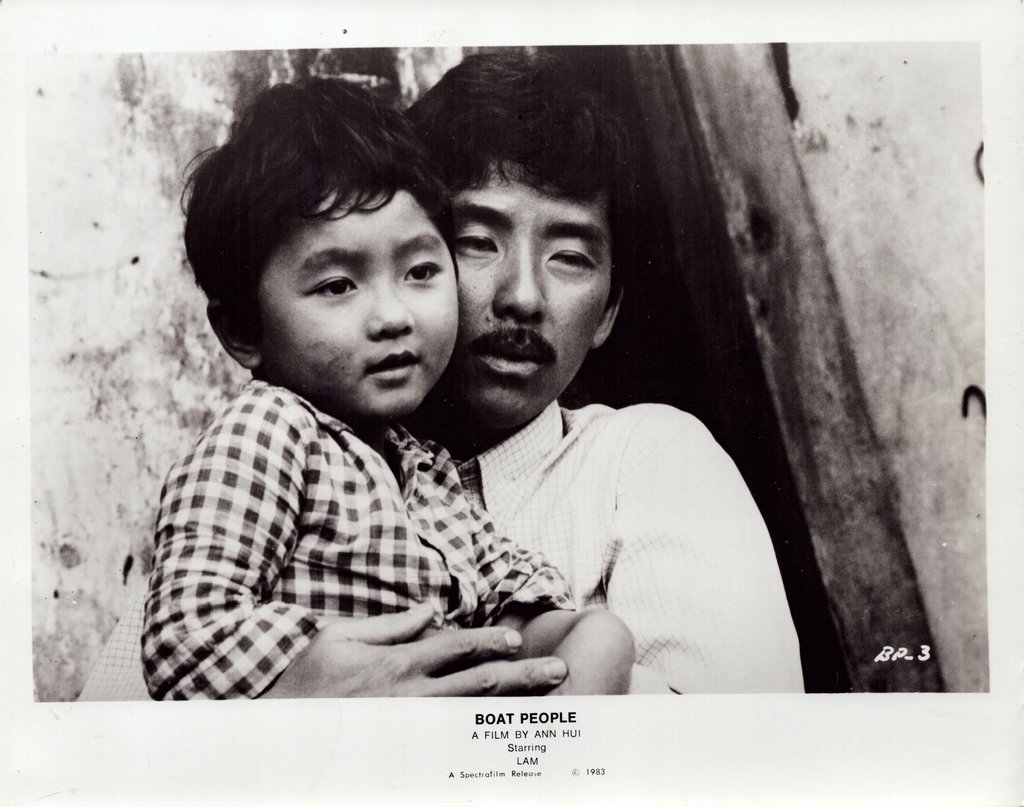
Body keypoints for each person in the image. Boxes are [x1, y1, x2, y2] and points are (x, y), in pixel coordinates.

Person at [79, 51, 802, 700]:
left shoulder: (647, 459)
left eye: (571, 256)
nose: (523, 297)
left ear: (609, 309)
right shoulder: (271, 458)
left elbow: (739, 750)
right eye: (477, 241)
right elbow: (129, 711)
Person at [138, 76, 634, 699]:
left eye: (420, 271)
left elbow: (507, 590)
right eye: (338, 286)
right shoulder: (265, 433)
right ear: (242, 328)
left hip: (442, 732)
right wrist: (315, 669)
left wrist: (562, 635)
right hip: (327, 738)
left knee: (601, 638)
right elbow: (184, 637)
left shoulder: (422, 469)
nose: (393, 316)